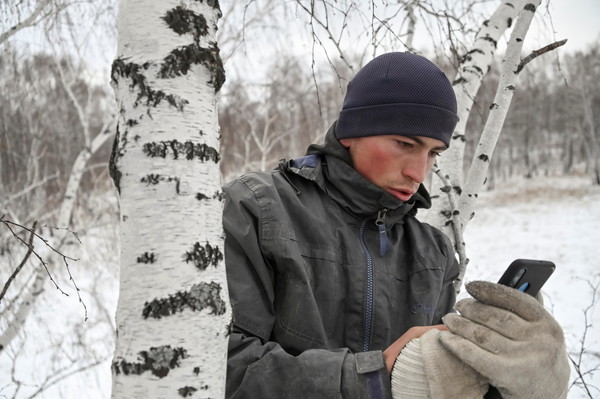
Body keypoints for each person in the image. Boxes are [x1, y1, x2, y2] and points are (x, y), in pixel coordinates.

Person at [222, 52, 570, 398]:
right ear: (352, 132)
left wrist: (506, 383)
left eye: (433, 153)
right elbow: (221, 367)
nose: (418, 173)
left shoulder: (433, 252)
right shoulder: (256, 209)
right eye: (405, 144)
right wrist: (375, 380)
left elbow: (439, 387)